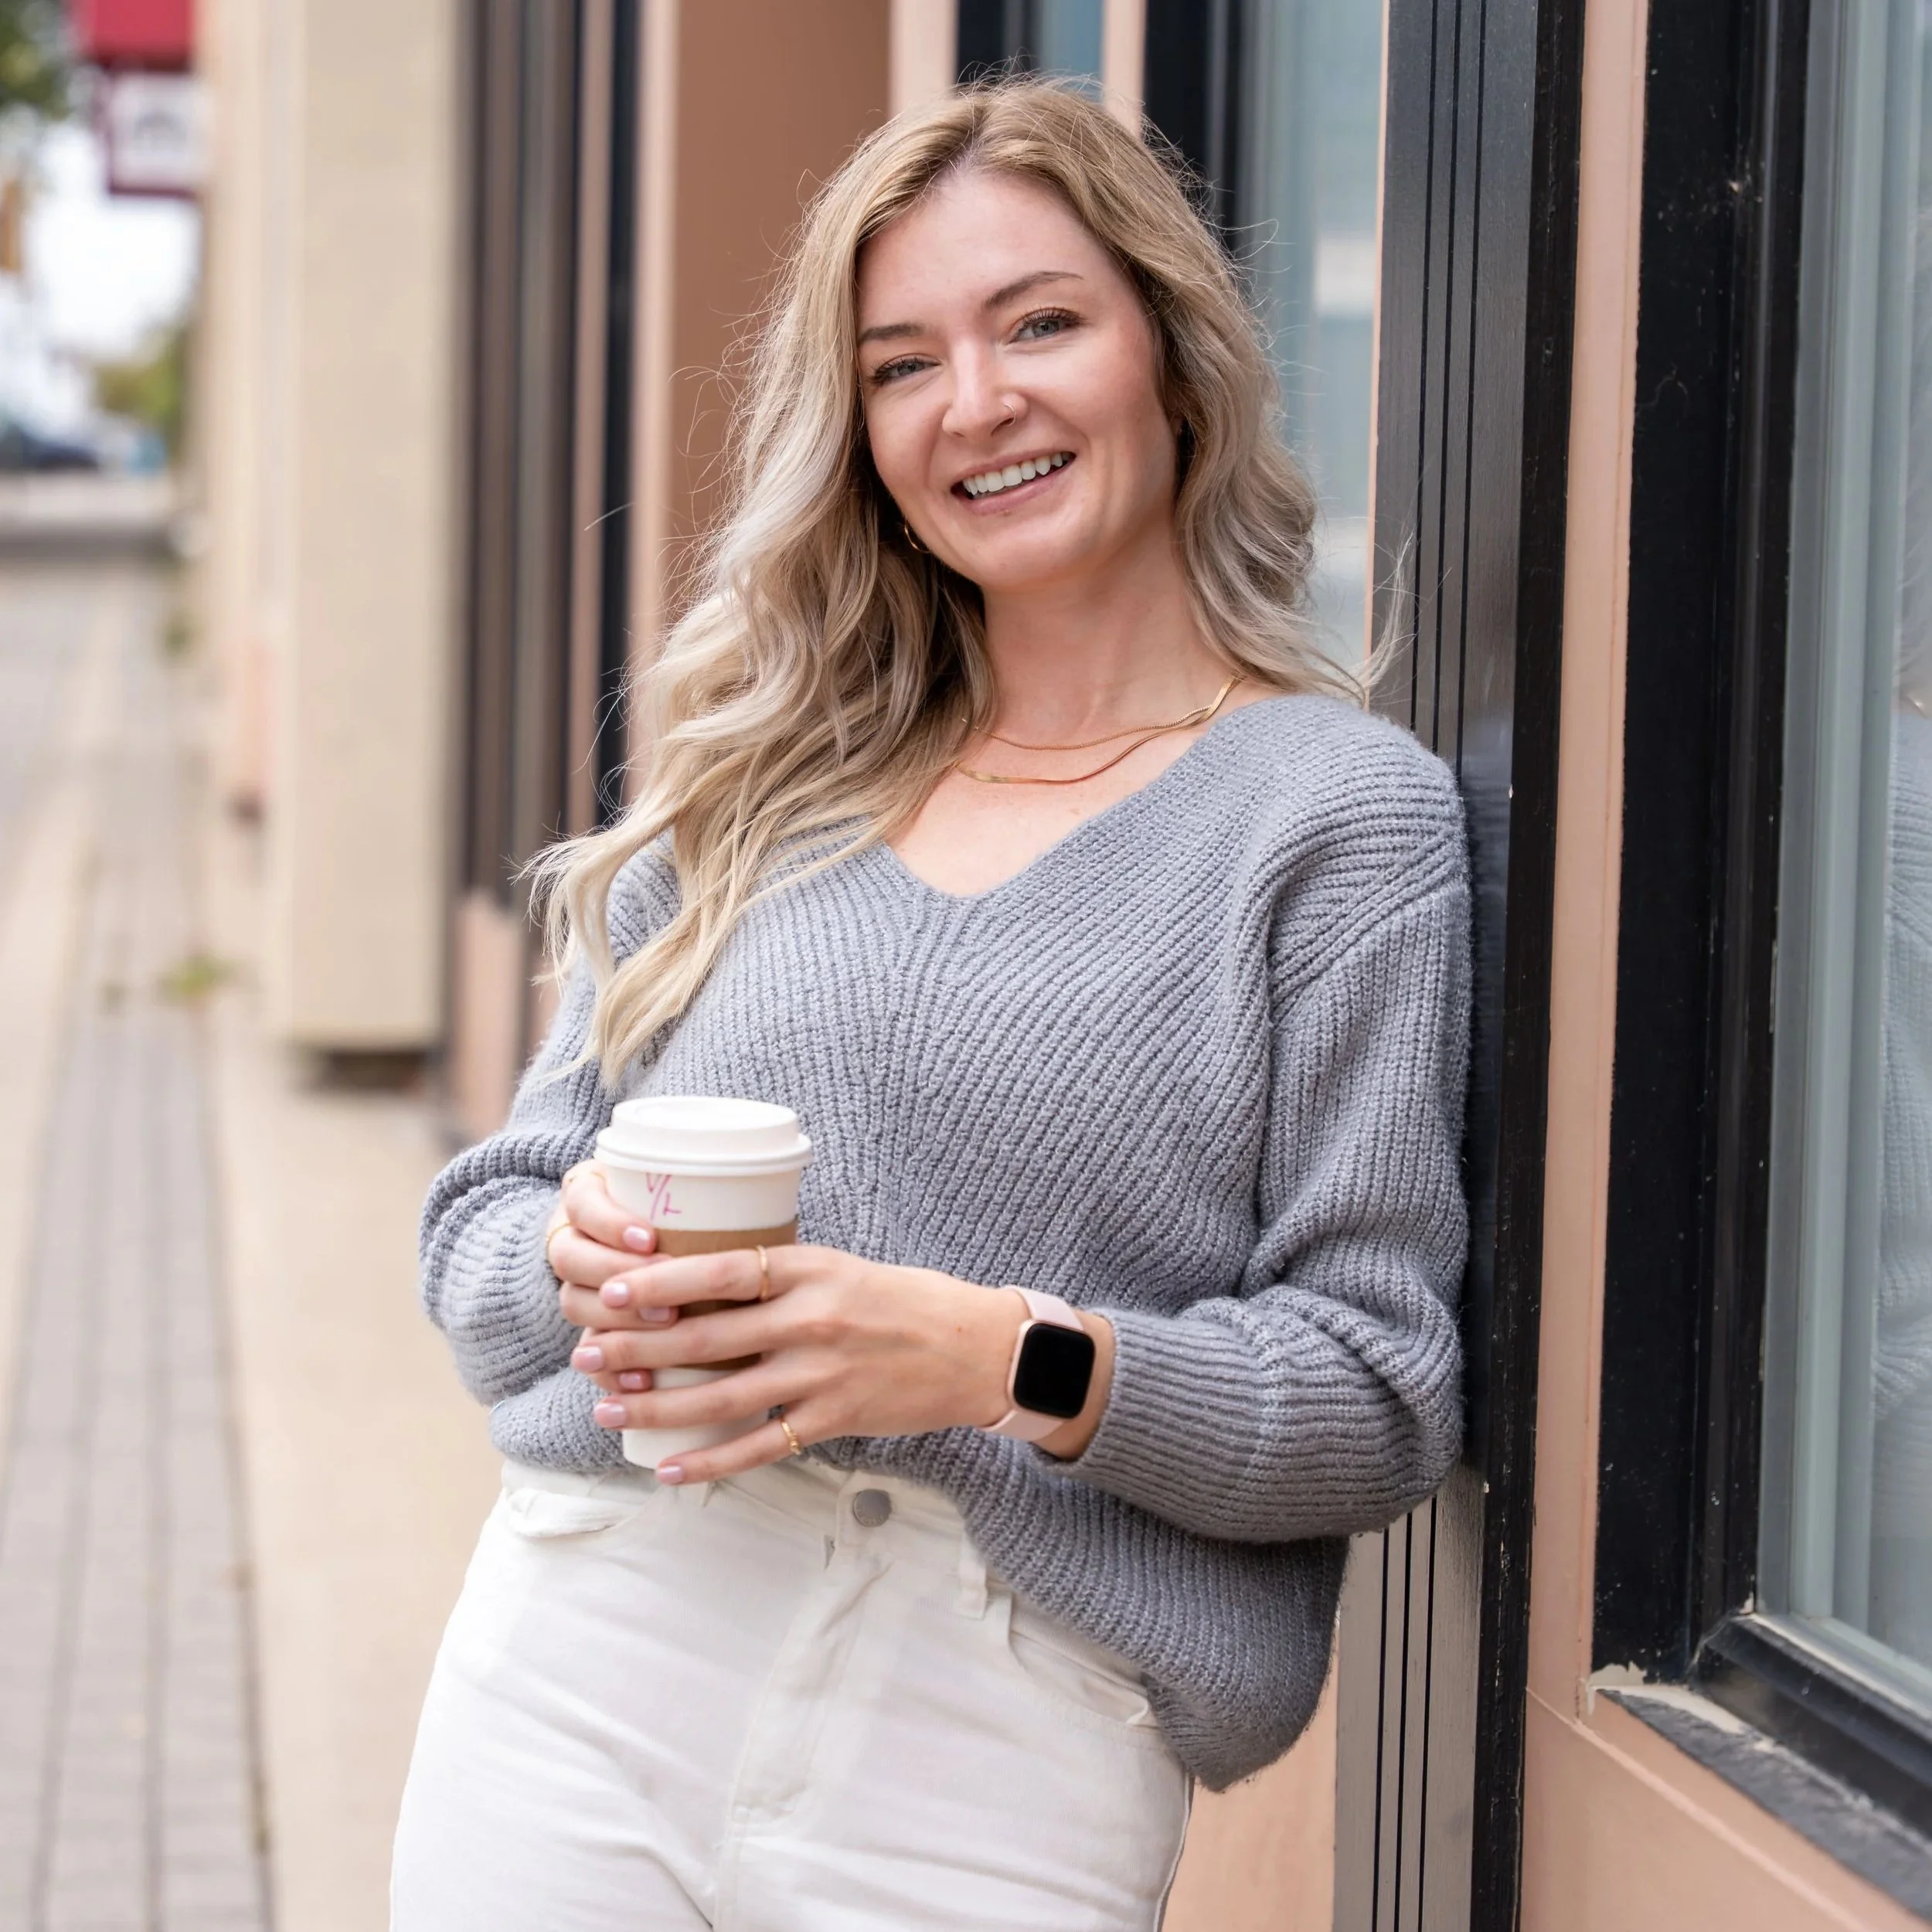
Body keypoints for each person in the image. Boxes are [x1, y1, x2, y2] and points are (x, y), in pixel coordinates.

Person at [393, 79, 1470, 1932]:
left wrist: (997, 1356)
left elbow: (1372, 1394)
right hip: (594, 1646)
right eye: (902, 364)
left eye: (1037, 323)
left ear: (1170, 356)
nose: (974, 402)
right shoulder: (764, 782)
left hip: (1003, 1731)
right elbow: (480, 1238)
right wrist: (579, 1258)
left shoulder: (1334, 817)